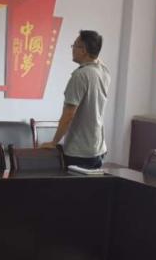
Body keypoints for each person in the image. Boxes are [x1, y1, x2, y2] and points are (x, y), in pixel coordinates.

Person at [43, 30, 110, 169]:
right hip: (98, 149)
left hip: (79, 152)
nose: (72, 48)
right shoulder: (103, 71)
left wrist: (54, 142)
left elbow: (69, 115)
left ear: (84, 50)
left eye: (75, 45)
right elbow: (97, 59)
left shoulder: (80, 76)